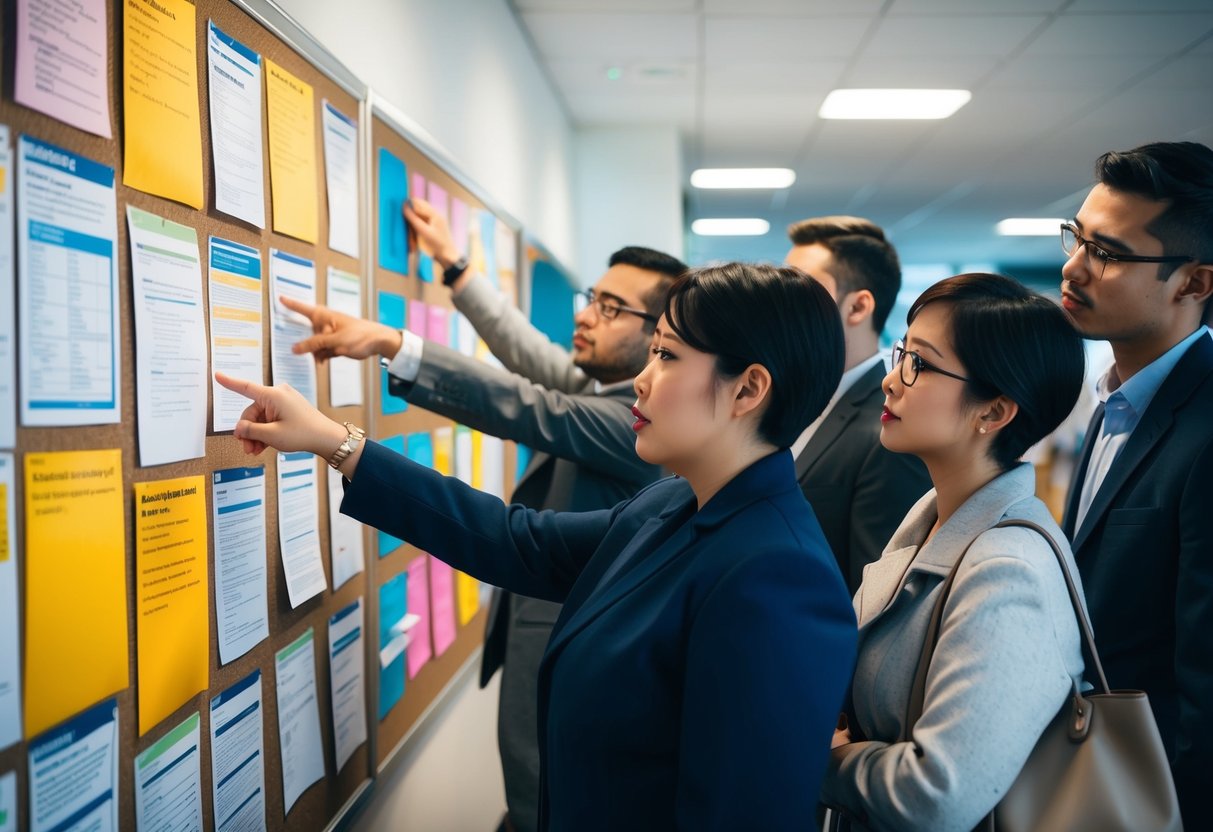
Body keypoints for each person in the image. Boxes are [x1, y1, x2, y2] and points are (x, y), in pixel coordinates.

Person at [217, 262, 858, 830]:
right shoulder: (671, 504)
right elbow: (515, 541)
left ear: (748, 389)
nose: (640, 380)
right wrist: (337, 443)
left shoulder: (781, 576)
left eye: (665, 356)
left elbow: (738, 816)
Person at [283, 198, 686, 832]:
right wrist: (456, 266)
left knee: (542, 803)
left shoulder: (634, 424)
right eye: (593, 297)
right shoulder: (610, 390)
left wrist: (393, 343)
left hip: (574, 656)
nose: (586, 316)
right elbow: (530, 355)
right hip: (552, 646)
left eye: (611, 309)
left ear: (661, 335)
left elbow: (528, 405)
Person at [821, 273, 1089, 831]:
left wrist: (834, 760)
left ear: (993, 412)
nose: (891, 382)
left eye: (919, 364)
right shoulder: (931, 520)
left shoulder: (1008, 571)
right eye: (902, 354)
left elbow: (937, 797)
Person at [1058, 141, 1213, 827]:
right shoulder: (1113, 401)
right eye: (1077, 238)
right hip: (1091, 780)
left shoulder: (1205, 431)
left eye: (1108, 254)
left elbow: (1204, 679)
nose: (1073, 267)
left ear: (1193, 283)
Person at [785, 217, 931, 592]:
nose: (779, 305)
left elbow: (875, 594)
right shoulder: (783, 401)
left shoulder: (889, 428)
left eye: (798, 289)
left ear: (857, 307)